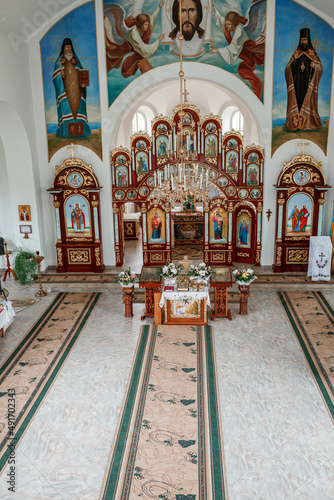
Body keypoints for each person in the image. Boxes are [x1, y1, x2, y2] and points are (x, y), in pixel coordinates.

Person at [210, 0, 266, 100]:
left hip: (250, 52)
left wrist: (217, 51)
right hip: (243, 52)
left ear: (235, 24)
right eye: (227, 24)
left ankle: (256, 91)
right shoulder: (228, 25)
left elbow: (234, 47)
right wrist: (213, 7)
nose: (227, 27)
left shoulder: (239, 31)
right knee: (242, 70)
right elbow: (219, 19)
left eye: (230, 24)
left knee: (243, 69)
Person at [104, 2, 165, 78]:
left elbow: (152, 19)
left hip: (129, 48)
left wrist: (158, 7)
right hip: (119, 49)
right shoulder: (134, 34)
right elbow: (145, 51)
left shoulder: (143, 27)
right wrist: (158, 40)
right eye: (146, 25)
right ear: (140, 25)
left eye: (147, 24)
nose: (147, 26)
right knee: (108, 63)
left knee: (141, 61)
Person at [284, 28, 322, 131]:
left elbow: (320, 67)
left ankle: (307, 124)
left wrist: (315, 67)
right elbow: (288, 68)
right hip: (297, 84)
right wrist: (294, 60)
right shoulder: (297, 53)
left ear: (308, 40)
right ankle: (296, 125)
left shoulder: (312, 53)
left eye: (305, 40)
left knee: (306, 101)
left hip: (307, 84)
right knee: (298, 102)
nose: (303, 42)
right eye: (302, 40)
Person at [53, 38, 91, 138]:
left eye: (69, 47)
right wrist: (61, 75)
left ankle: (80, 130)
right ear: (63, 48)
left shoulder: (75, 59)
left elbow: (81, 72)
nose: (68, 49)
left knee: (78, 107)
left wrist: (82, 80)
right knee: (67, 108)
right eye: (66, 47)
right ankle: (66, 131)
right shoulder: (60, 60)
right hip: (66, 90)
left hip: (76, 90)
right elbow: (55, 76)